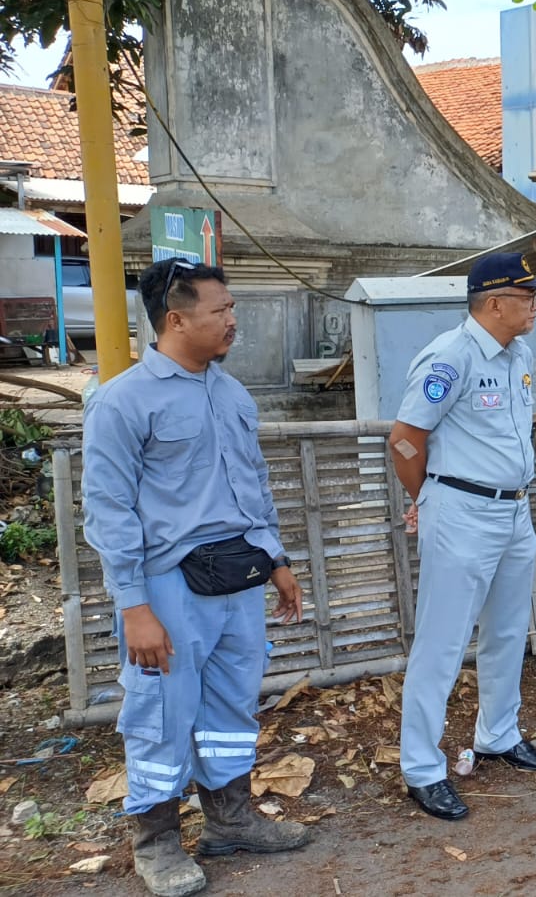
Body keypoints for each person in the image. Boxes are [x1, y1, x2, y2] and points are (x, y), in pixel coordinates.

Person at [83, 258, 310, 896]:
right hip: (167, 587)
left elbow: (254, 485)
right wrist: (134, 606)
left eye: (232, 308)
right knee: (160, 711)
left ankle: (230, 820)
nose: (234, 321)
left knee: (230, 706)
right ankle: (156, 843)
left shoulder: (229, 391)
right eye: (222, 311)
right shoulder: (122, 401)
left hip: (238, 576)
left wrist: (278, 559)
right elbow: (108, 511)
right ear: (176, 319)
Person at [388, 254, 536, 822]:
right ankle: (421, 766)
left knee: (509, 631)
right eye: (526, 296)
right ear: (494, 303)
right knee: (442, 642)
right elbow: (406, 441)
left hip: (513, 511)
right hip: (461, 510)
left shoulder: (517, 356)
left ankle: (497, 734)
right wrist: (426, 500)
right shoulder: (450, 356)